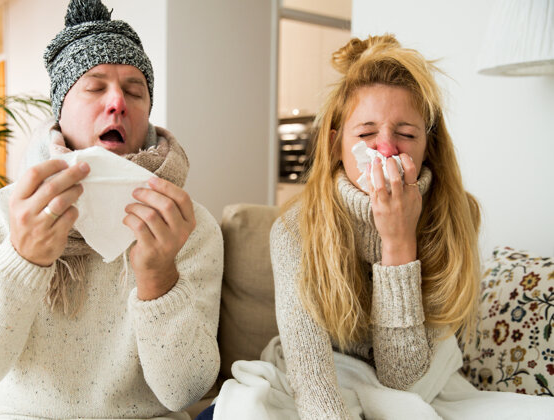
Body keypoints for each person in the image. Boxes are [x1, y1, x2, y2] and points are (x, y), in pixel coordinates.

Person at [203, 34, 554, 420]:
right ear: (336, 144)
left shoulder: (456, 217)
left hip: (423, 382)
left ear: (428, 147)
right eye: (367, 134)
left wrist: (398, 241)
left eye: (405, 134)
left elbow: (404, 380)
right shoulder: (294, 229)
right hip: (320, 379)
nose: (385, 149)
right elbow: (315, 385)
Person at [0, 1, 223, 419]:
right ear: (60, 110)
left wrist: (159, 279)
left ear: (146, 117)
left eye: (135, 91)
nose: (118, 101)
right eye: (95, 86)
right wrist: (22, 259)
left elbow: (184, 393)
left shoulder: (186, 225)